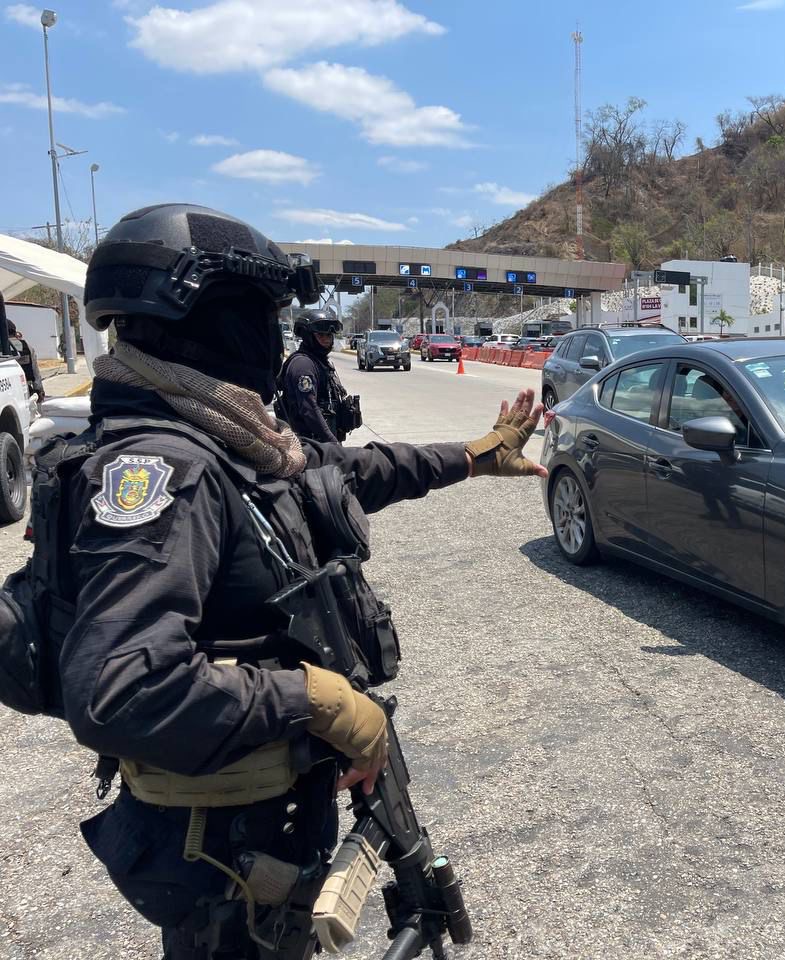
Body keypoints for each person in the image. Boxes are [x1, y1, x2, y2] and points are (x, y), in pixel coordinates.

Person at [55, 203, 546, 958]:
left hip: (264, 818)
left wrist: (475, 455)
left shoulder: (227, 439)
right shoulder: (165, 468)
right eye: (262, 313)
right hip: (224, 847)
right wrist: (318, 699)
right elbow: (120, 689)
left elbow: (351, 471)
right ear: (207, 316)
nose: (273, 335)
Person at [277, 310, 354, 443]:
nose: (326, 339)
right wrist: (333, 443)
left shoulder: (319, 362)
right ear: (308, 336)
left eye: (329, 335)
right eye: (320, 335)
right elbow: (309, 409)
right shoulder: (303, 365)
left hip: (322, 444)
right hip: (309, 444)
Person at [0, 295, 45, 402]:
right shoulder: (27, 346)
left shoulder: (3, 347)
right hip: (26, 389)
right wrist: (39, 390)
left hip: (9, 390)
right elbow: (35, 371)